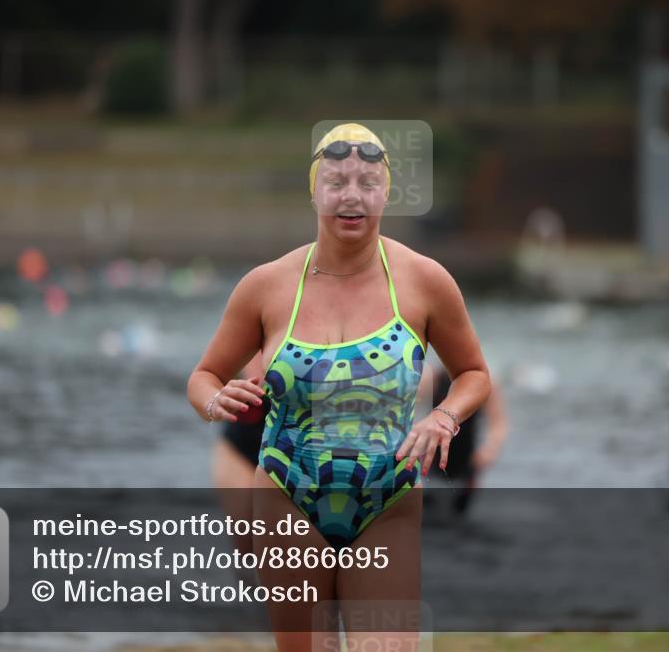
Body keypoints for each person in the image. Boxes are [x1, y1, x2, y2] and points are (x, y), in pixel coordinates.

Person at [188, 123, 491, 651]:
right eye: (336, 181)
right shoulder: (267, 286)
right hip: (287, 494)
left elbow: (475, 374)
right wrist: (215, 401)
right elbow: (203, 376)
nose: (352, 195)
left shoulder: (424, 281)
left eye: (368, 182)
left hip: (387, 499)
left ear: (386, 192)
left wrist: (444, 416)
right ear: (314, 191)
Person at [421, 361, 509, 517]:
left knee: (460, 513)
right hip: (435, 454)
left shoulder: (486, 383)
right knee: (429, 512)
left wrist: (489, 449)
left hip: (467, 456)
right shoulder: (435, 377)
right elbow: (409, 410)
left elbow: (498, 423)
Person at [211, 351, 267, 556]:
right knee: (245, 548)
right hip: (244, 439)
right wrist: (213, 400)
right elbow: (207, 374)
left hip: (302, 444)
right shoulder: (259, 318)